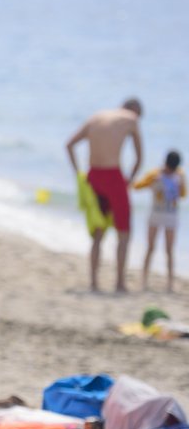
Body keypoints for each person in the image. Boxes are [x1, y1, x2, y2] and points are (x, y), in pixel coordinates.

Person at [66, 98, 144, 292]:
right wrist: (129, 180)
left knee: (98, 233)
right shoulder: (131, 118)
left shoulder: (96, 117)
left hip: (93, 176)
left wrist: (78, 175)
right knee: (124, 233)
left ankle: (94, 282)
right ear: (135, 109)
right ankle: (119, 283)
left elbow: (69, 145)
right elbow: (139, 158)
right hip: (113, 176)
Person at [135, 150, 184, 292]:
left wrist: (180, 185)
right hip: (155, 214)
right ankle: (143, 280)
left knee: (169, 250)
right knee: (150, 247)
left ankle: (170, 283)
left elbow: (182, 194)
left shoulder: (179, 175)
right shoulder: (155, 174)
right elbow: (137, 186)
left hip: (171, 215)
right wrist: (152, 181)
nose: (170, 170)